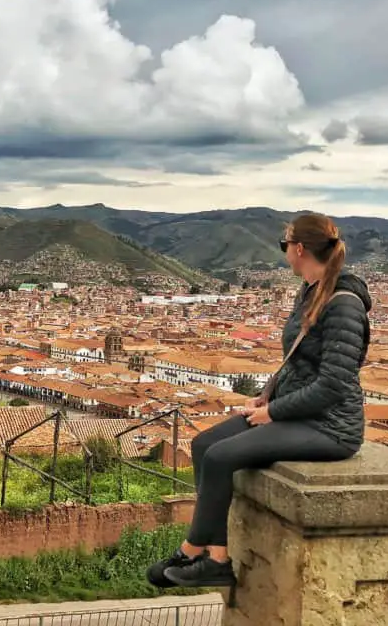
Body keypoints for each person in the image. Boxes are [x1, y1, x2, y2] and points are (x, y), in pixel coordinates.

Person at [147, 212, 371, 590]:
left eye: (285, 245)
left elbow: (334, 383)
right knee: (204, 445)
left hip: (330, 426)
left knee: (221, 458)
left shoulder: (344, 304)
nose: (284, 252)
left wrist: (274, 412)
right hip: (295, 411)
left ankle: (193, 549)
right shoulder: (312, 291)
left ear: (299, 249)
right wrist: (264, 398)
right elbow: (299, 363)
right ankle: (215, 557)